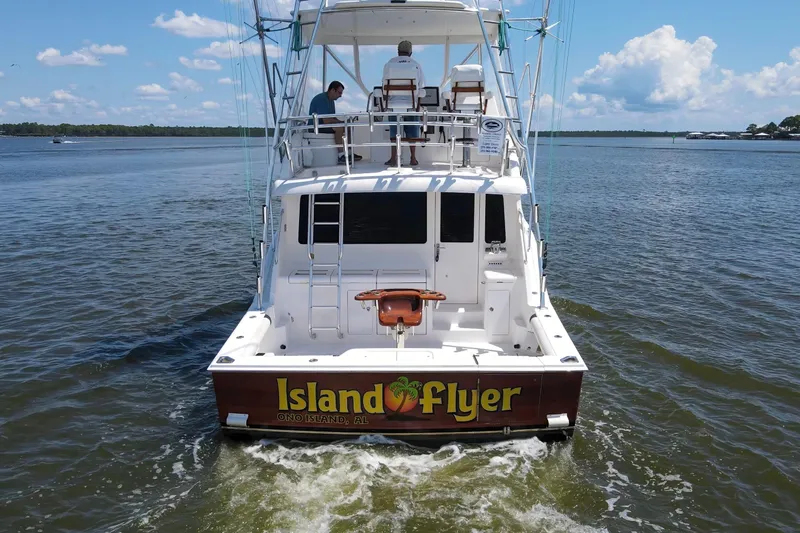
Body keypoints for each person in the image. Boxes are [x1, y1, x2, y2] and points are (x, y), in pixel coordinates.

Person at [382, 40, 425, 166]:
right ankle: (413, 158)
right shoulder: (416, 64)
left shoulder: (389, 64)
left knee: (394, 130)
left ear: (398, 51)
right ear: (410, 52)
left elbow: (384, 85)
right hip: (411, 104)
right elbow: (421, 85)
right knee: (413, 130)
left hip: (392, 104)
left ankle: (393, 158)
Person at [307, 81, 362, 164]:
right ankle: (341, 155)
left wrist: (344, 122)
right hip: (316, 128)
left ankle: (349, 153)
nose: (341, 95)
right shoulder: (321, 99)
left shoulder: (331, 100)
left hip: (324, 125)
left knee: (349, 126)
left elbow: (331, 118)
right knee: (339, 128)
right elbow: (326, 120)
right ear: (332, 90)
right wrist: (341, 123)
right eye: (339, 92)